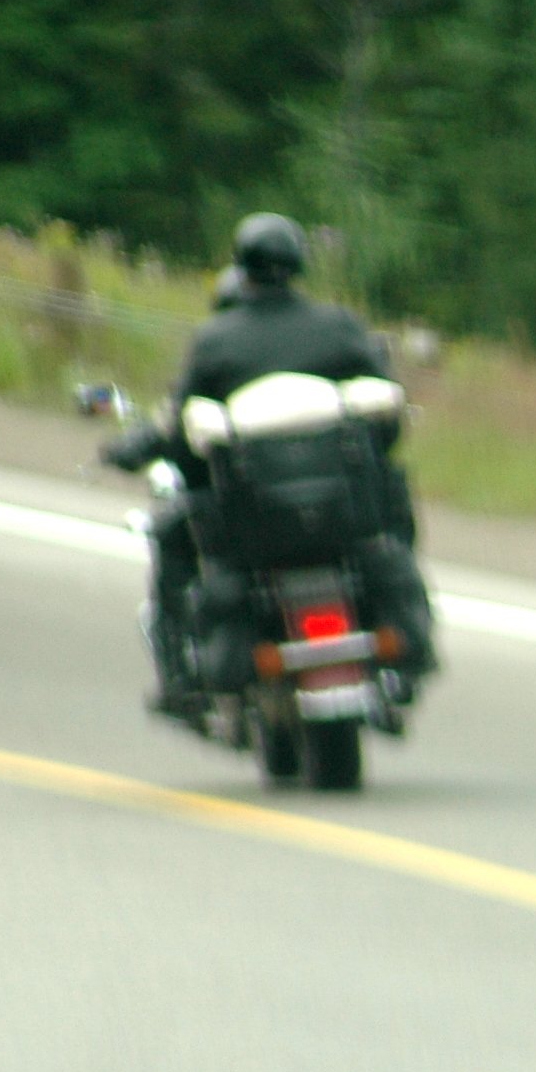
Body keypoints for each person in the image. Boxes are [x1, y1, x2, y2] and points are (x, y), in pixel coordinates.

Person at [101, 212, 434, 716]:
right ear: (299, 262)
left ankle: (178, 676)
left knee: (171, 534)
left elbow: (181, 427)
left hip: (252, 530)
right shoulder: (338, 326)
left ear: (241, 266)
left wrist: (133, 451)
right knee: (393, 495)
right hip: (344, 520)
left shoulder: (216, 340)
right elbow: (386, 422)